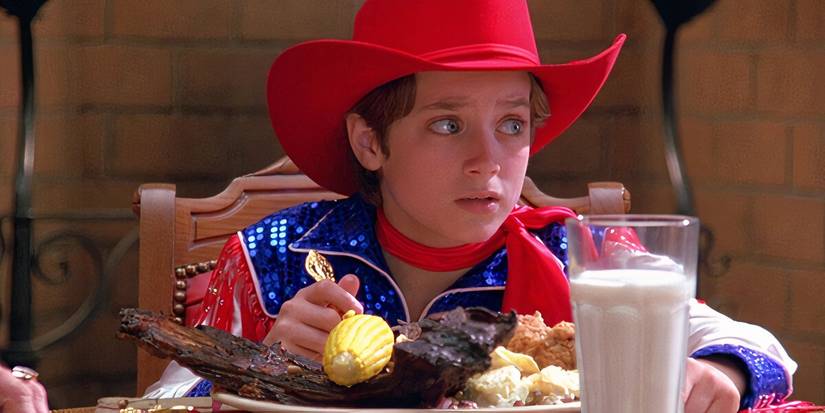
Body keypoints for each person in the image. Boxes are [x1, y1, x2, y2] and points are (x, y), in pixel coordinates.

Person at [144, 0, 797, 411]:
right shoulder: (269, 259)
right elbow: (160, 400)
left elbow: (749, 342)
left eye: (511, 124)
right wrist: (262, 371)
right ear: (370, 141)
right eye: (448, 125)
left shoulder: (582, 256)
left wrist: (720, 369)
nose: (490, 158)